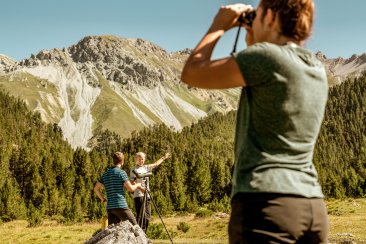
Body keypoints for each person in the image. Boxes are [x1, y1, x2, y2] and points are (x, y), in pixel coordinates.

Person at [181, 0, 329, 243]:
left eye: (257, 15)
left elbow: (192, 72)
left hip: (266, 205)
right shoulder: (315, 67)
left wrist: (219, 25)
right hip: (312, 206)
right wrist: (255, 32)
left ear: (270, 16)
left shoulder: (266, 57)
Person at [94, 152, 142, 226]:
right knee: (135, 227)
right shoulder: (121, 173)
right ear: (122, 161)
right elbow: (130, 189)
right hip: (121, 206)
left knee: (112, 232)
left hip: (110, 208)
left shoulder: (106, 174)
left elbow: (96, 189)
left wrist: (104, 200)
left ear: (113, 160)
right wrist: (138, 185)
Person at [130, 152, 171, 233]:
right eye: (139, 159)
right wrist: (140, 188)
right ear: (136, 159)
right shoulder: (134, 170)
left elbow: (155, 164)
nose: (141, 161)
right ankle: (138, 234)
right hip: (139, 195)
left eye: (142, 159)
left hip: (147, 195)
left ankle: (144, 234)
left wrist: (164, 157)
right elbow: (132, 182)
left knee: (147, 215)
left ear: (144, 160)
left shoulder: (146, 167)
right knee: (141, 216)